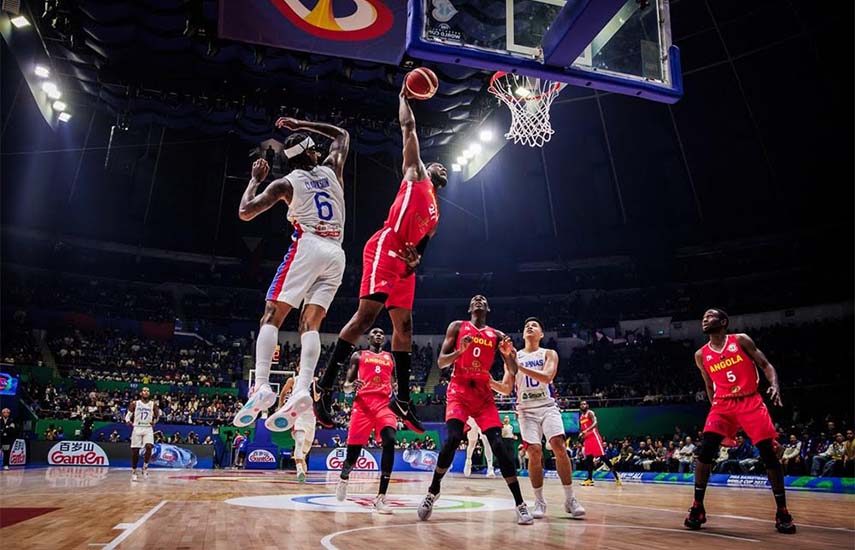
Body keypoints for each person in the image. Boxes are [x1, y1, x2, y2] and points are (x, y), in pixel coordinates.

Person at [314, 84, 448, 434]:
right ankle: (323, 387)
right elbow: (409, 129)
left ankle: (402, 399)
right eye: (440, 165)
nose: (443, 168)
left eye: (446, 168)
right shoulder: (415, 174)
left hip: (404, 263)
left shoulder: (435, 216)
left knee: (404, 329)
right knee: (365, 317)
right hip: (385, 245)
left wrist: (417, 260)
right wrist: (404, 99)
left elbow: (422, 250)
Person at [232, 116, 350, 431]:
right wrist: (301, 123)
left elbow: (245, 212)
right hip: (337, 252)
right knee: (309, 324)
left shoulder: (286, 183)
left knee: (271, 315)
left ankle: (262, 387)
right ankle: (301, 389)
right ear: (313, 151)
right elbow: (341, 133)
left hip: (309, 246)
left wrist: (255, 179)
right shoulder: (332, 169)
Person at [417, 295, 534, 525]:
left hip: (483, 395)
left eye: (483, 299)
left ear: (487, 308)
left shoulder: (497, 335)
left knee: (499, 445)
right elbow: (441, 362)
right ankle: (433, 491)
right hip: (459, 390)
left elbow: (513, 369)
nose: (479, 300)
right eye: (475, 299)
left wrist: (508, 354)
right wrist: (460, 351)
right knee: (452, 439)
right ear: (470, 307)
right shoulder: (457, 327)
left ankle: (520, 504)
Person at [685, 308, 796, 534]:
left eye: (710, 317)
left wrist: (774, 385)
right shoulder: (700, 354)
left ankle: (782, 511)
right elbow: (708, 384)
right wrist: (714, 406)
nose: (705, 320)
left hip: (749, 400)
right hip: (722, 405)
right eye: (703, 318)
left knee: (767, 453)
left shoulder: (741, 340)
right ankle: (697, 507)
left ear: (723, 321)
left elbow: (766, 365)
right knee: (705, 450)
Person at [491, 317, 584, 519]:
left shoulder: (549, 353)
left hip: (547, 406)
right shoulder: (513, 356)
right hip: (525, 410)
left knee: (558, 445)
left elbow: (547, 377)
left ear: (541, 334)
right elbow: (507, 389)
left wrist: (517, 365)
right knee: (534, 451)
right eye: (526, 326)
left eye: (534, 326)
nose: (529, 327)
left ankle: (570, 499)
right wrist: (488, 380)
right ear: (523, 335)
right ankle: (539, 501)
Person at [335, 328, 398, 513]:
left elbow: (393, 383)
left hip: (384, 405)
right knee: (352, 455)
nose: (379, 335)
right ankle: (344, 478)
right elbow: (346, 386)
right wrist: (350, 385)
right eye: (375, 333)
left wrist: (397, 387)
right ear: (368, 338)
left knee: (391, 441)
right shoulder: (359, 355)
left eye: (381, 333)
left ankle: (380, 497)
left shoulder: (389, 358)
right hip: (362, 405)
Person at [276, 363, 316, 482]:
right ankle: (299, 469)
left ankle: (301, 461)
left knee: (306, 448)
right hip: (297, 415)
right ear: (298, 369)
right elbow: (283, 394)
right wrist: (280, 407)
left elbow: (318, 398)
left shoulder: (314, 381)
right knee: (299, 441)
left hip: (311, 416)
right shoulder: (293, 380)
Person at [578, 401, 621, 486]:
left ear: (587, 405)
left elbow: (595, 423)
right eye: (582, 404)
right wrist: (582, 433)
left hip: (594, 437)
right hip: (587, 439)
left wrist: (586, 430)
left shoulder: (590, 413)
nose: (583, 405)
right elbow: (583, 428)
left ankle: (616, 475)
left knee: (603, 457)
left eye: (585, 404)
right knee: (589, 459)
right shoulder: (581, 417)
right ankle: (589, 479)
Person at [125, 387, 160, 482]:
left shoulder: (153, 404)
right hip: (137, 427)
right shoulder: (135, 403)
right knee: (135, 451)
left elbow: (157, 416)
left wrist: (155, 421)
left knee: (149, 446)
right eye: (144, 391)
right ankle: (134, 471)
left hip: (148, 428)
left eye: (148, 391)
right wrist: (128, 421)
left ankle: (145, 467)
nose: (146, 392)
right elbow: (128, 415)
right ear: (141, 393)